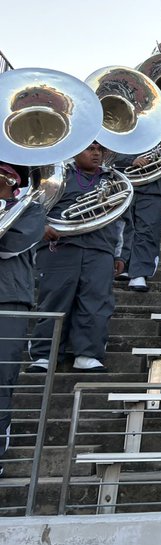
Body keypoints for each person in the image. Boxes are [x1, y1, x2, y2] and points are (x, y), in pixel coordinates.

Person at [29, 142, 123, 373]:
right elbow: (32, 207)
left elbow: (122, 220)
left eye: (100, 149)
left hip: (100, 248)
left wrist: (121, 254)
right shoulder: (55, 176)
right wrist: (42, 226)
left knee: (97, 301)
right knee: (55, 298)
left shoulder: (115, 181)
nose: (96, 153)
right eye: (90, 148)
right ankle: (44, 354)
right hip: (59, 246)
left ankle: (88, 353)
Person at [0, 163, 46, 473]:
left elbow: (9, 246)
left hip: (8, 300)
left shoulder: (29, 210)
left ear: (10, 181)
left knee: (1, 380)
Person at [113, 126, 161, 289]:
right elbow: (112, 157)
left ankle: (139, 273)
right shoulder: (126, 138)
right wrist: (131, 161)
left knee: (148, 231)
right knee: (126, 230)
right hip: (128, 188)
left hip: (155, 191)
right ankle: (125, 265)